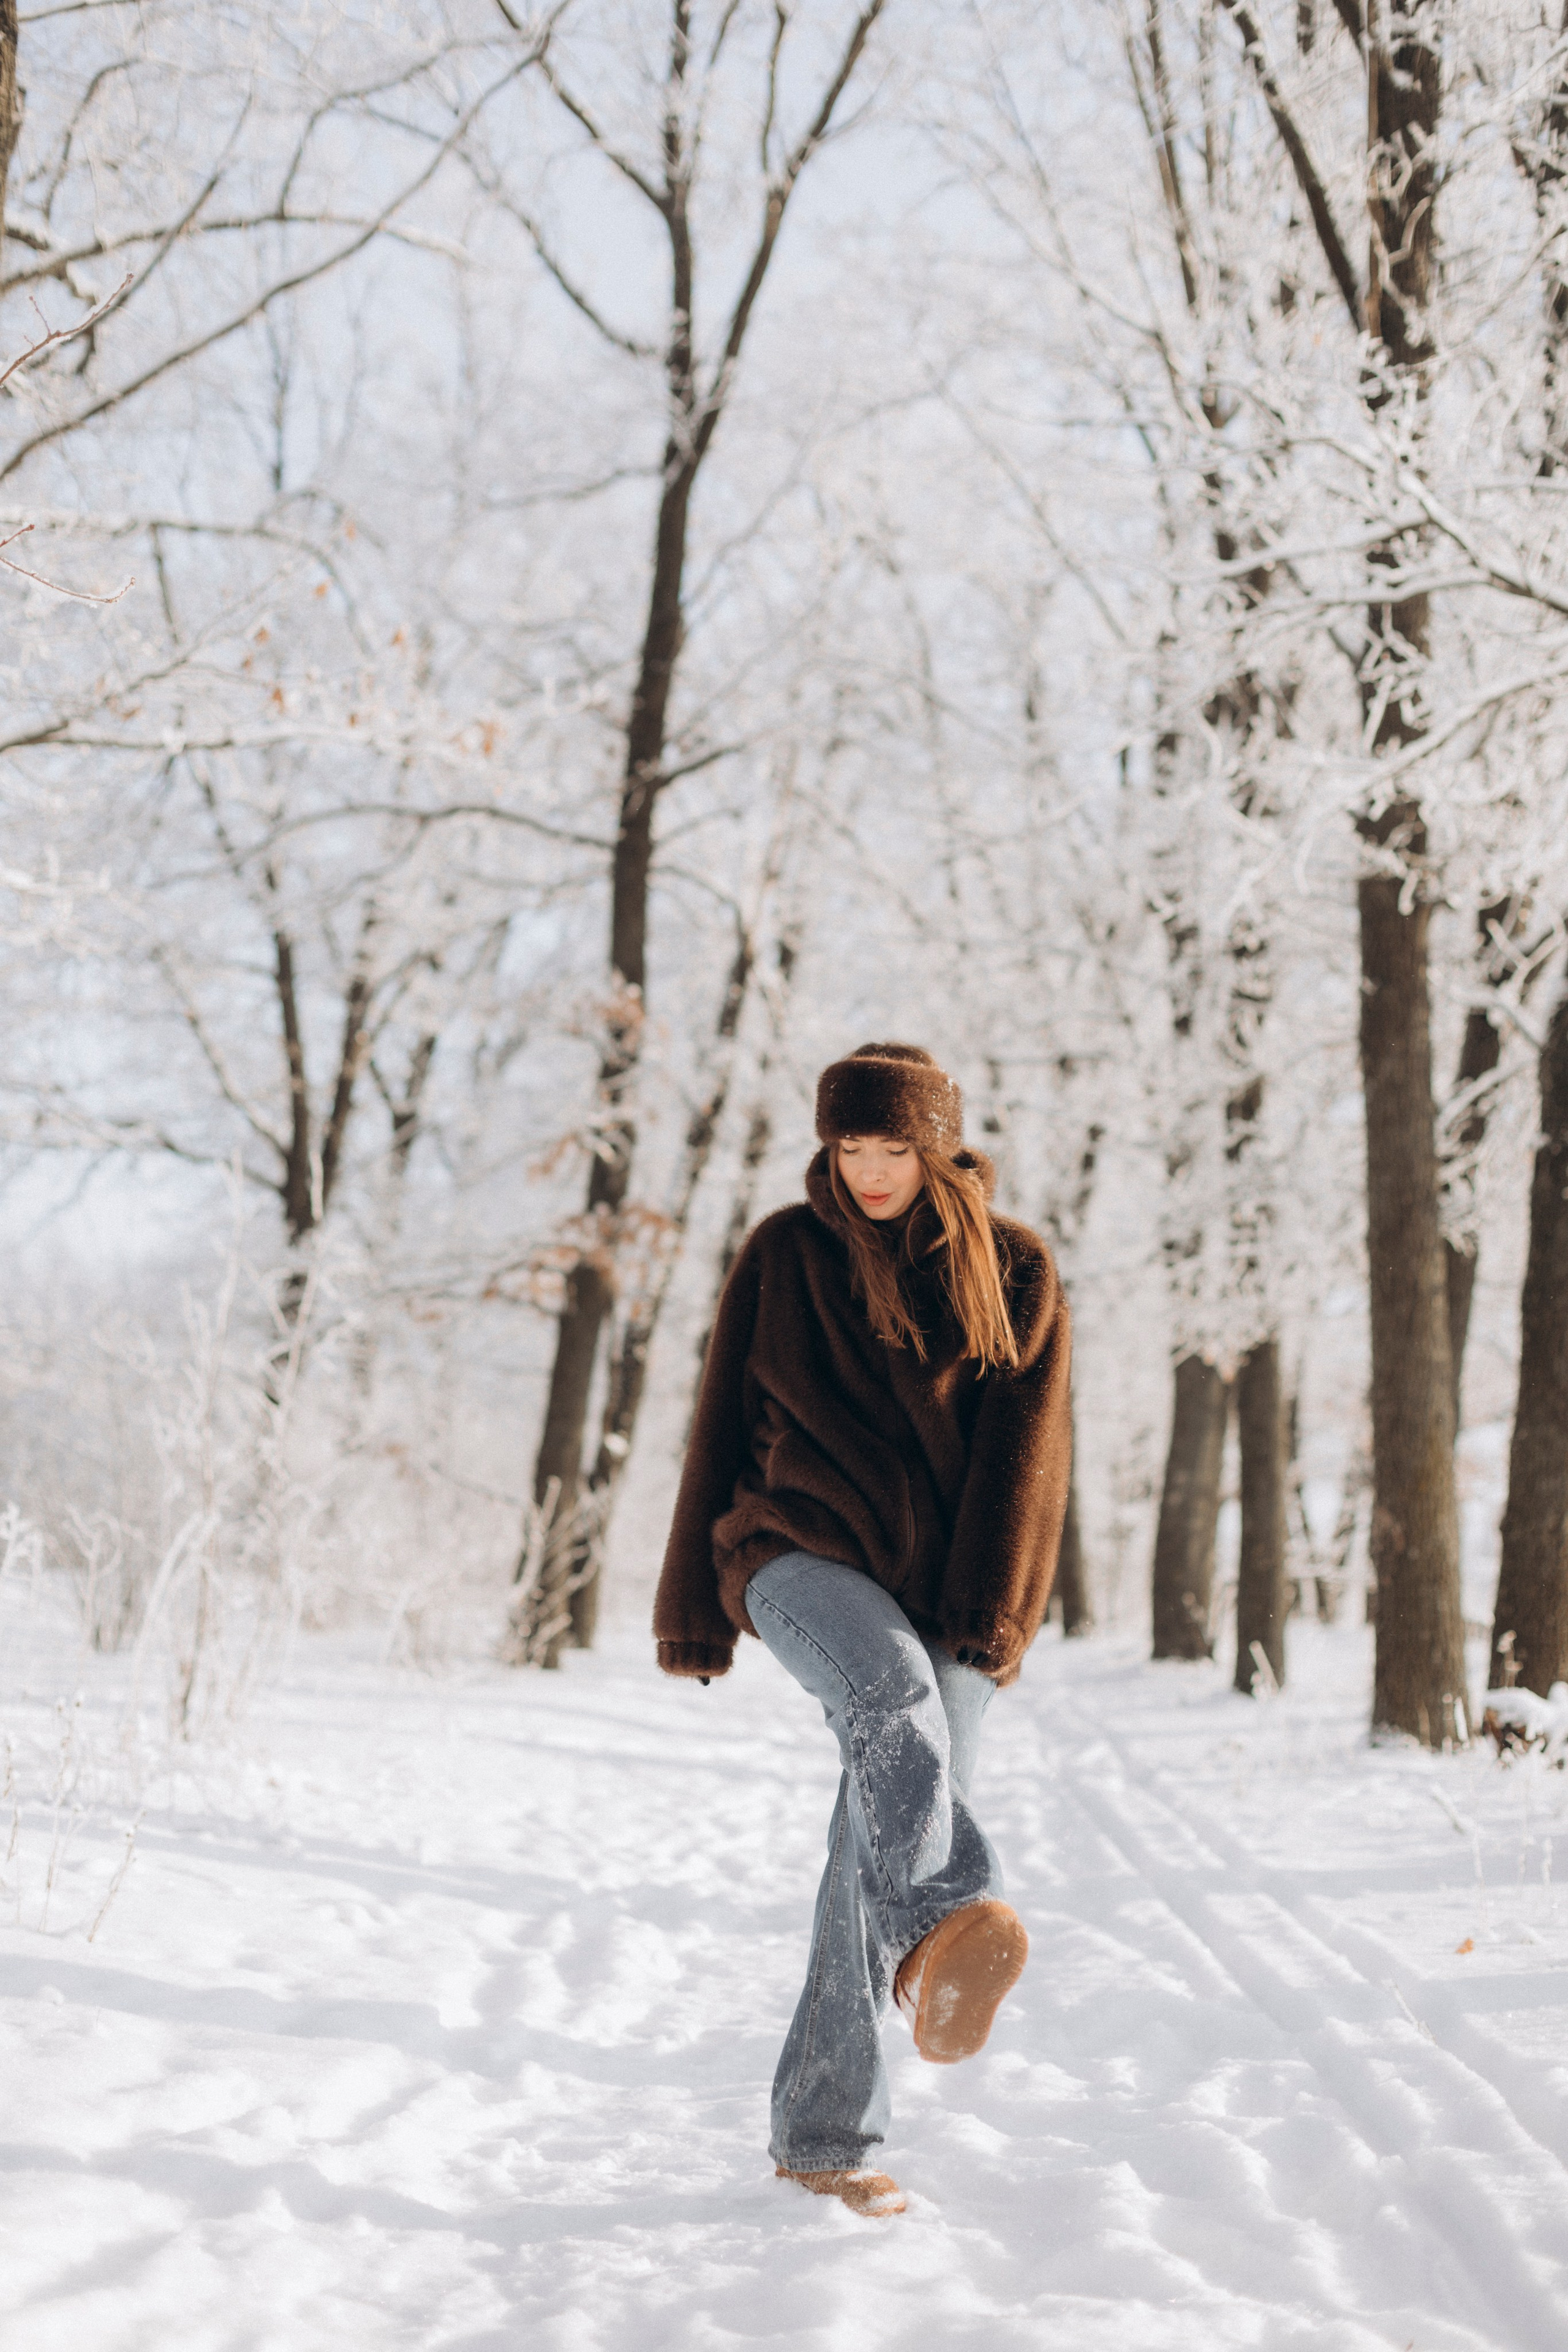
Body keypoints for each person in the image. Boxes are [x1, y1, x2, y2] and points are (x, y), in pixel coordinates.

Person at [653, 1042, 1072, 2218]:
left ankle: (823, 2139)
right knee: (887, 1702)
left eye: (896, 1150)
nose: (874, 1172)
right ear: (828, 1147)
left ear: (935, 1150)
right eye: (853, 1148)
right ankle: (945, 1914)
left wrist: (990, 1626)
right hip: (793, 1553)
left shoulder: (1014, 1270)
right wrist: (694, 1602)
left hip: (948, 1594)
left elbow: (1024, 1470)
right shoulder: (787, 1256)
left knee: (874, 1829)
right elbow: (715, 1427)